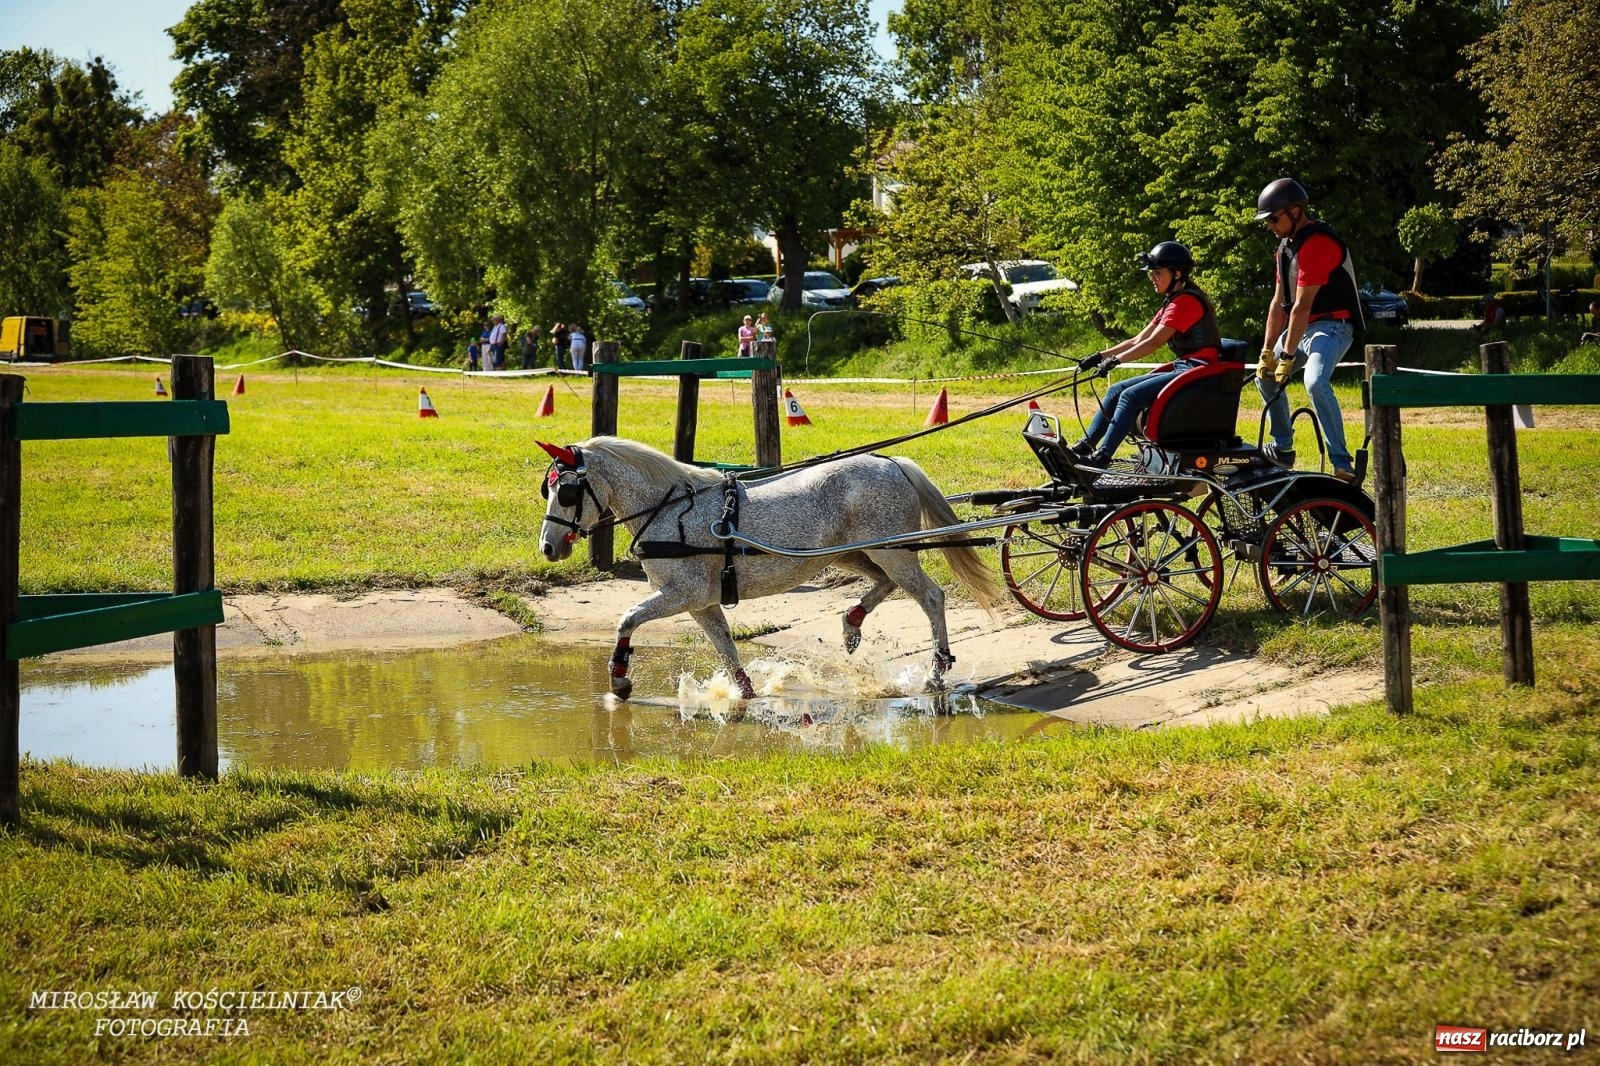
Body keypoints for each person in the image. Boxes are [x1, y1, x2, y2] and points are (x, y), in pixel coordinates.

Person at [1068, 241, 1229, 466]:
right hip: (1187, 367)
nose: (1152, 278)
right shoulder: (1172, 301)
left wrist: (1116, 361)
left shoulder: (1185, 302)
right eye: (1151, 273)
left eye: (1158, 273)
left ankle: (1102, 456)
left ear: (1178, 273)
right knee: (1116, 390)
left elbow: (1153, 343)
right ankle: (1085, 446)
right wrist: (1100, 356)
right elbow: (1138, 339)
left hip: (1199, 371)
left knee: (1130, 396)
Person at [1253, 178, 1363, 482]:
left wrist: (1286, 354)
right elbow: (1278, 303)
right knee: (1265, 377)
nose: (1270, 226)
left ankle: (1343, 464)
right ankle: (1283, 448)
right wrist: (1267, 352)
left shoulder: (1317, 243)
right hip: (1302, 328)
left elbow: (1302, 306)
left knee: (1314, 381)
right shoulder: (1284, 249)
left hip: (1333, 327)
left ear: (1296, 211)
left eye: (1274, 219)